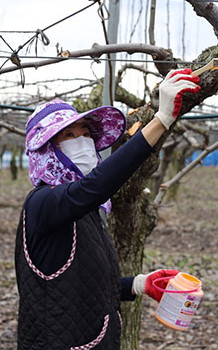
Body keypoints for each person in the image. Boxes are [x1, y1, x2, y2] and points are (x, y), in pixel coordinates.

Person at [14, 68, 201, 349]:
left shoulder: (89, 209)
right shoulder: (42, 203)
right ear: (46, 148)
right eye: (68, 135)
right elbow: (96, 186)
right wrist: (161, 120)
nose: (83, 141)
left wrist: (139, 284)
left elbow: (83, 285)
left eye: (86, 133)